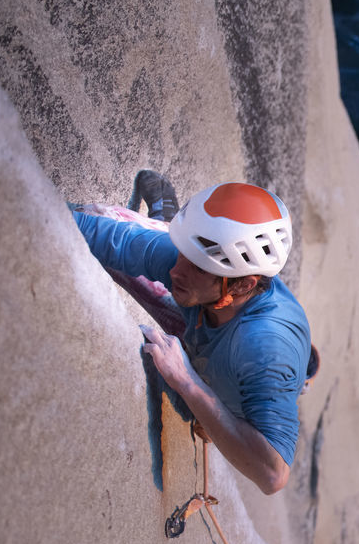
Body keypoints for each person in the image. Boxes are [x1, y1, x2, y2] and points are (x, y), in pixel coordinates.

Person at [72, 171, 311, 495]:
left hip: (232, 375)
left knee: (194, 394)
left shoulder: (262, 348)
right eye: (184, 251)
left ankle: (164, 224)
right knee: (103, 219)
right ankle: (167, 222)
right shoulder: (200, 272)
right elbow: (113, 239)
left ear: (243, 284)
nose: (175, 270)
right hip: (204, 325)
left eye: (198, 265)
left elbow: (273, 475)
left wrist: (185, 380)